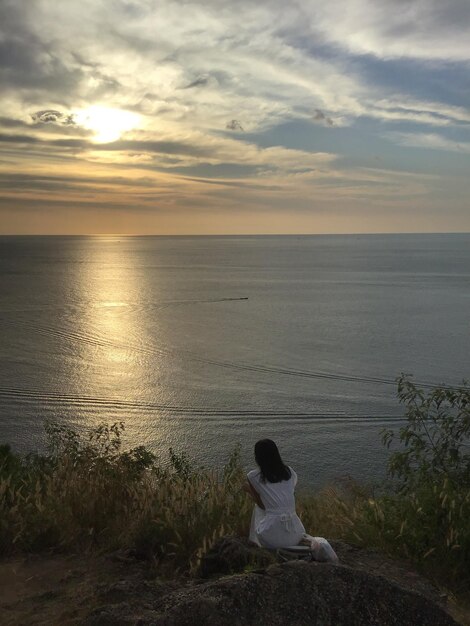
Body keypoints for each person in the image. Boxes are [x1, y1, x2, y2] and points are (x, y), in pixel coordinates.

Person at [244, 438, 306, 549]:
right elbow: (289, 492)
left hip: (271, 536)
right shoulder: (289, 472)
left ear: (258, 457)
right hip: (297, 532)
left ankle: (255, 543)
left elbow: (261, 505)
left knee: (258, 509)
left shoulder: (253, 476)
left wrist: (248, 489)